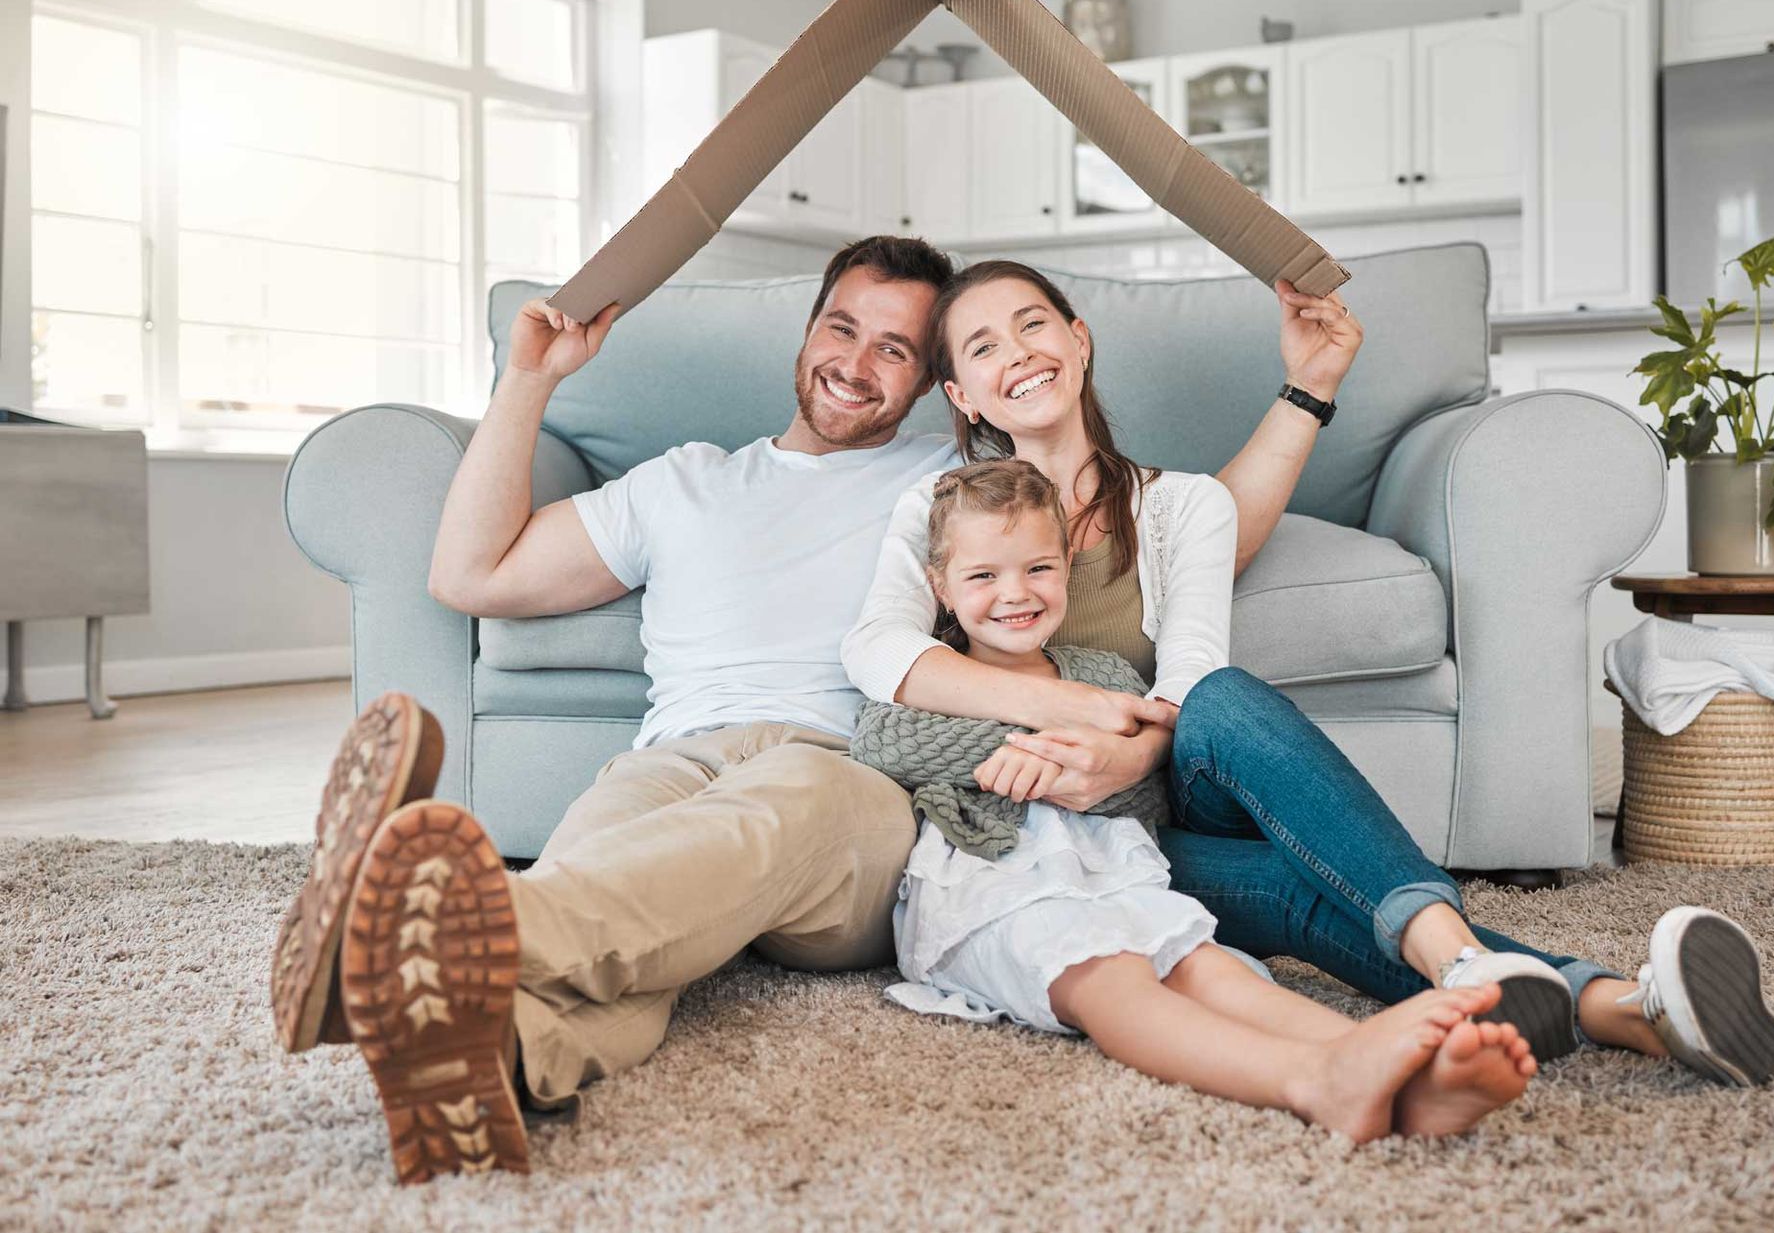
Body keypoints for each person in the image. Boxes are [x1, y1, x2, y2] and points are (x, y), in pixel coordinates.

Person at [270, 235, 1365, 1184]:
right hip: (669, 760)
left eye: (897, 349)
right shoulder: (681, 480)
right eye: (843, 329)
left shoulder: (954, 481)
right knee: (630, 914)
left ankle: (457, 934)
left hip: (842, 784)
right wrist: (528, 380)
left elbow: (1193, 522)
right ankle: (486, 1050)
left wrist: (1306, 391)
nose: (857, 364)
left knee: (762, 810)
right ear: (805, 333)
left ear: (941, 386)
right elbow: (471, 575)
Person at [842, 260, 1774, 1091]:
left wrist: (1123, 759)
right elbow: (879, 655)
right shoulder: (935, 509)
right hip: (1112, 851)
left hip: (1157, 801)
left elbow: (1190, 681)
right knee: (1297, 887)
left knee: (1222, 698)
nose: (1016, 352)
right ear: (962, 396)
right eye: (980, 347)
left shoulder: (1184, 508)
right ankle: (1629, 1008)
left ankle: (1457, 955)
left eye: (1033, 324)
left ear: (1079, 340)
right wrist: (1084, 716)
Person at [846, 458, 1536, 1140]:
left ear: (1065, 568)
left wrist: (1098, 762)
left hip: (1115, 872)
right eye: (983, 575)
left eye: (1038, 568)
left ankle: (1407, 1073)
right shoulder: (931, 675)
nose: (1015, 592)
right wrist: (1035, 746)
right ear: (939, 586)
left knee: (1202, 964)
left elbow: (1148, 788)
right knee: (1111, 978)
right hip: (993, 884)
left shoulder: (1102, 673)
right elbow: (883, 740)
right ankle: (1311, 1077)